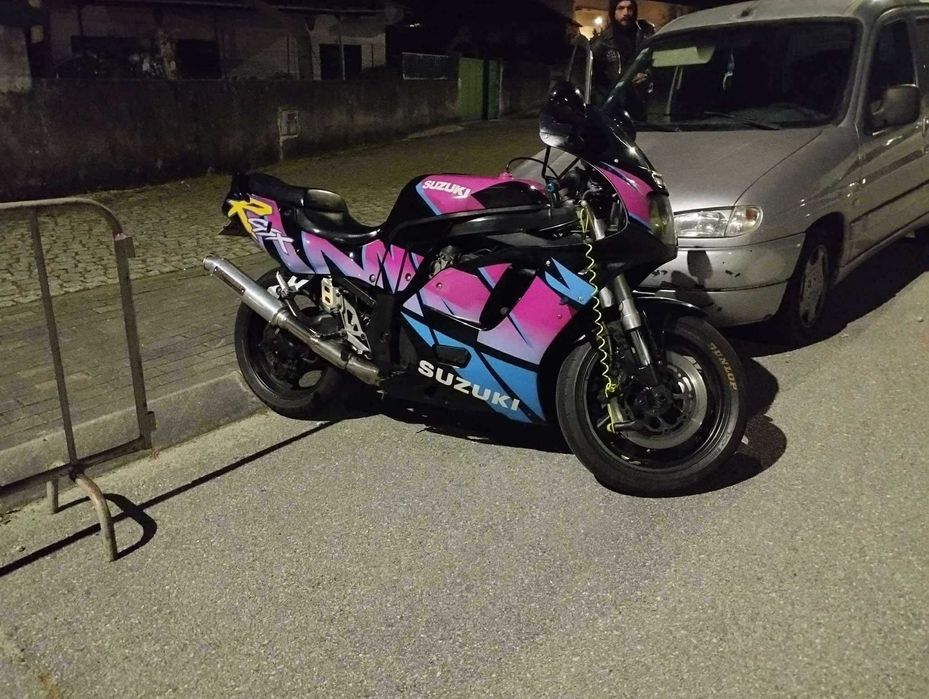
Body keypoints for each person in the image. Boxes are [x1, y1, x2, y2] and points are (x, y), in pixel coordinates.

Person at [591, 0, 655, 104]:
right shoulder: (602, 43)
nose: (626, 13)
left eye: (630, 8)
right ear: (613, 12)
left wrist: (647, 74)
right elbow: (593, 80)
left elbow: (657, 62)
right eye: (621, 8)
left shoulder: (646, 37)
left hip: (642, 100)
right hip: (614, 103)